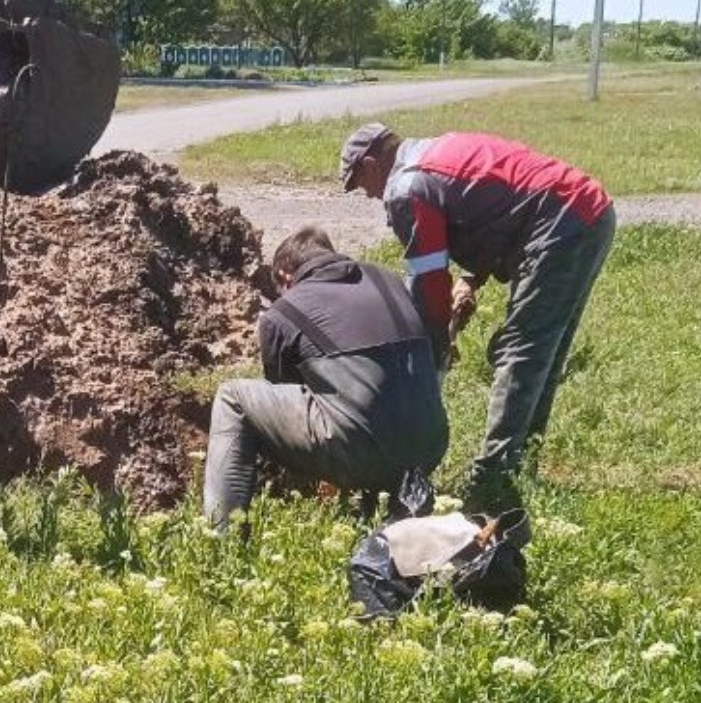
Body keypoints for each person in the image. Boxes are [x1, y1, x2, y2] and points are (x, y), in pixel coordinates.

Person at [340, 123, 615, 515]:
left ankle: (492, 477)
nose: (367, 194)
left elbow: (429, 284)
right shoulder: (437, 151)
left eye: (360, 183)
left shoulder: (406, 188)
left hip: (564, 221)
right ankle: (519, 463)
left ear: (370, 163)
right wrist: (470, 279)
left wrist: (432, 352)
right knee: (542, 350)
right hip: (587, 212)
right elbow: (498, 208)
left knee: (523, 348)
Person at [203, 225, 449, 530]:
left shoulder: (284, 311)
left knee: (233, 397)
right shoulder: (388, 280)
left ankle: (221, 535)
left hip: (362, 454)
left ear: (284, 276)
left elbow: (289, 394)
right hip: (431, 445)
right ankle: (389, 502)